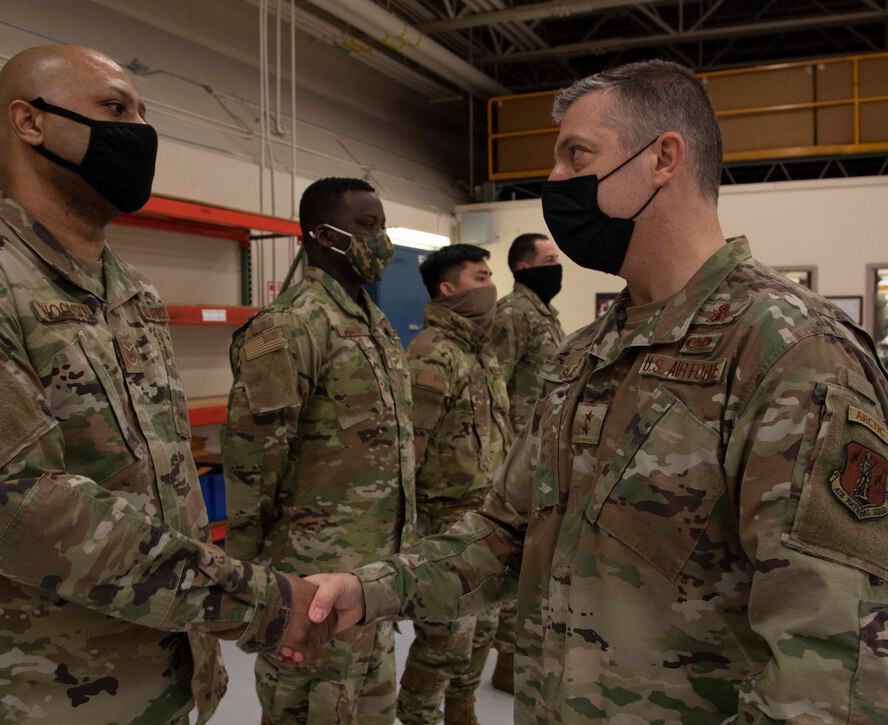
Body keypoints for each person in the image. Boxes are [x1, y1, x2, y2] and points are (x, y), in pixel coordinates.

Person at [304, 59, 888, 722]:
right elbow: (504, 535)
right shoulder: (585, 353)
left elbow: (832, 669)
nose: (554, 181)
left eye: (576, 154)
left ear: (664, 157)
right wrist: (367, 588)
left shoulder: (791, 352)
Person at [0, 45, 332, 724]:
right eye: (115, 109)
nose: (140, 133)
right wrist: (257, 601)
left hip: (148, 686)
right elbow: (22, 510)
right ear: (29, 122)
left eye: (143, 113)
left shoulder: (127, 292)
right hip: (9, 698)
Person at [222, 177, 415, 723]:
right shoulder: (291, 325)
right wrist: (250, 578)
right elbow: (252, 461)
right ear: (322, 234)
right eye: (367, 225)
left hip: (374, 575)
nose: (381, 239)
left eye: (382, 225)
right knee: (309, 709)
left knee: (373, 708)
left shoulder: (370, 324)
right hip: (308, 580)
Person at [396, 244, 512, 725]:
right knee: (445, 639)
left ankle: (462, 713)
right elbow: (408, 450)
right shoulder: (431, 354)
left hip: (485, 517)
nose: (490, 286)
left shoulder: (479, 351)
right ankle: (418, 713)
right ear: (448, 290)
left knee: (481, 631)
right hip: (442, 525)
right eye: (479, 277)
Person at [486, 232, 565, 692]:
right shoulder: (514, 314)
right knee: (514, 555)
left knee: (533, 558)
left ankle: (511, 661)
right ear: (522, 267)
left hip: (538, 451)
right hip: (514, 453)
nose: (557, 266)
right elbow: (495, 382)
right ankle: (508, 661)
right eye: (548, 259)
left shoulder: (543, 313)